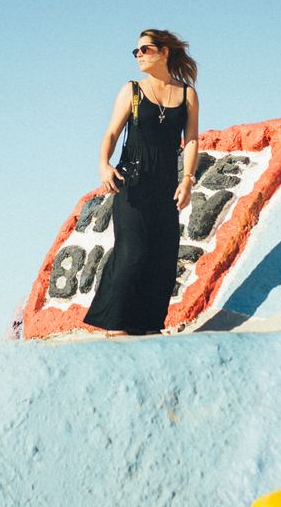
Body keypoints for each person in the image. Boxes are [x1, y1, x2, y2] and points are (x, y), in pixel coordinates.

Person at [82, 29, 199, 336]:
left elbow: (191, 139)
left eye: (145, 49)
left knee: (163, 254)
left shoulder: (187, 94)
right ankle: (114, 324)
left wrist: (187, 179)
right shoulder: (132, 91)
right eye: (136, 51)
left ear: (164, 52)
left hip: (165, 185)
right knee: (131, 251)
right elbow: (111, 133)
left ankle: (148, 325)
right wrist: (104, 165)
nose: (138, 55)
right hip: (131, 181)